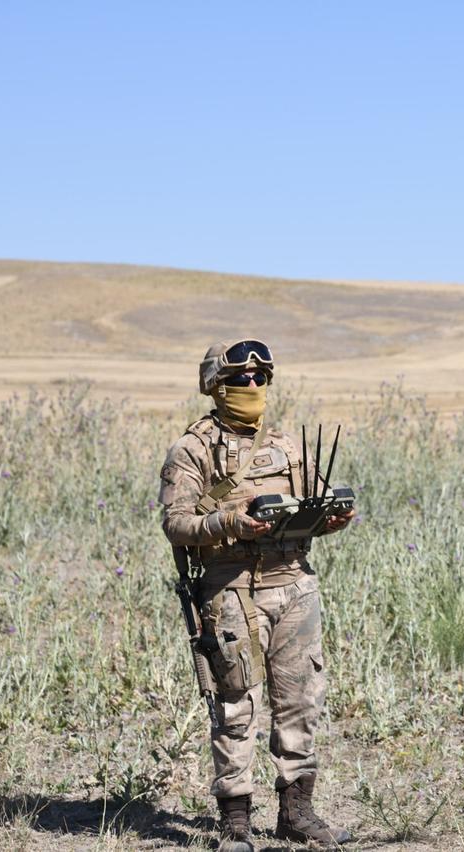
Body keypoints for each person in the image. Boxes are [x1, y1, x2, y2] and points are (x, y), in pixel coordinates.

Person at [159, 339, 354, 852]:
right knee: (234, 707)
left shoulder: (287, 445)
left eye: (259, 378)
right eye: (239, 379)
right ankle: (236, 820)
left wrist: (332, 519)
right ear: (215, 387)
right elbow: (175, 523)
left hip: (294, 587)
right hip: (230, 594)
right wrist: (229, 522)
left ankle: (297, 812)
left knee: (301, 701)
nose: (251, 387)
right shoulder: (193, 449)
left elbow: (306, 508)